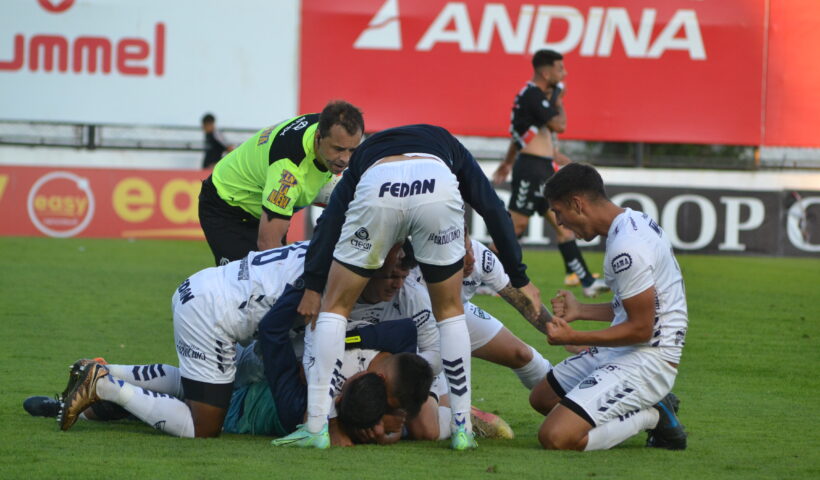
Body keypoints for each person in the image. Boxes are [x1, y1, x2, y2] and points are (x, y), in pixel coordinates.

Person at [279, 124, 542, 450]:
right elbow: (492, 208)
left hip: (379, 187)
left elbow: (330, 221)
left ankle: (317, 427)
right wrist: (520, 276)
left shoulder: (365, 155)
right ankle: (462, 428)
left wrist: (314, 284)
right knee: (450, 313)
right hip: (436, 186)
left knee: (334, 308)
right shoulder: (448, 145)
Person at [528, 163, 688, 451]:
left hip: (650, 358)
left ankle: (653, 415)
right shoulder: (632, 221)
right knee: (543, 399)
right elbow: (634, 307)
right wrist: (581, 310)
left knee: (555, 437)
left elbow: (641, 329)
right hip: (626, 348)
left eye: (558, 212)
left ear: (577, 204)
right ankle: (626, 406)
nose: (559, 223)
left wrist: (574, 337)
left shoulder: (627, 247)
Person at [491, 49, 607, 298]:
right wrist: (559, 101)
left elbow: (522, 135)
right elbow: (559, 125)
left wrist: (509, 163)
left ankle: (587, 282)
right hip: (531, 169)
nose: (564, 73)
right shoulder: (533, 94)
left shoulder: (533, 98)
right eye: (559, 68)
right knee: (516, 226)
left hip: (542, 168)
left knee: (564, 226)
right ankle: (485, 278)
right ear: (546, 72)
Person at [198, 100, 363, 266]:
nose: (345, 159)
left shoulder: (330, 124)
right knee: (251, 277)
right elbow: (268, 244)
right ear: (318, 137)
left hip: (263, 204)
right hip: (226, 207)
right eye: (338, 149)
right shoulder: (288, 171)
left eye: (352, 150)